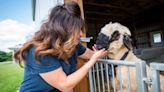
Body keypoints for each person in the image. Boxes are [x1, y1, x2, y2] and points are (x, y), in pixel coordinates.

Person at [14, 1, 108, 92]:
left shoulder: (73, 46)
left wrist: (103, 51)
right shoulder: (39, 51)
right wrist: (92, 61)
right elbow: (65, 85)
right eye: (77, 30)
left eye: (81, 29)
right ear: (63, 30)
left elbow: (91, 54)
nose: (81, 34)